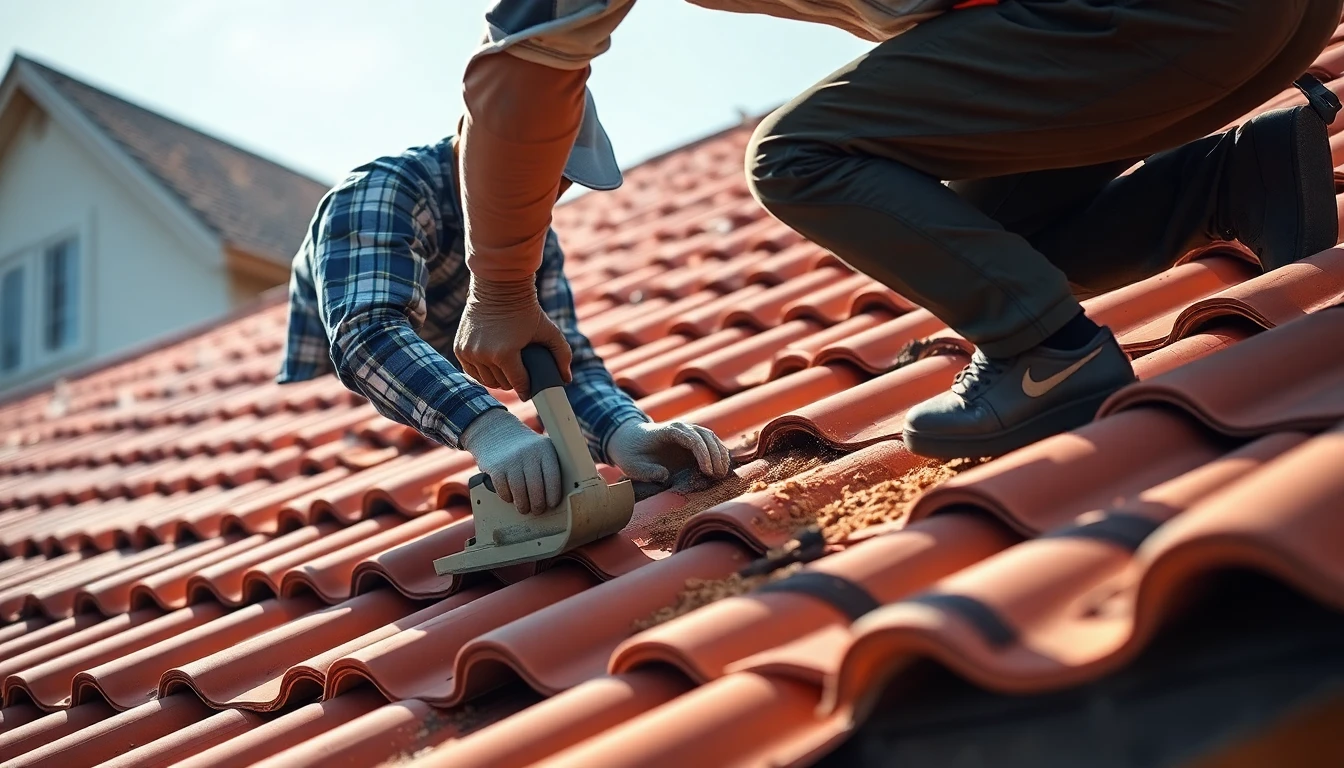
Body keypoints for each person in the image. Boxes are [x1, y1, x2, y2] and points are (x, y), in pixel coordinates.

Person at [452, 0, 1342, 460]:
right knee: (986, 241)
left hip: (1147, 23)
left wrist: (499, 288)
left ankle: (1047, 358)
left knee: (799, 153)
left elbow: (525, 74)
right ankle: (1234, 180)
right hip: (1269, 23)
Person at [277, 135, 732, 516]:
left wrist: (622, 432)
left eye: (559, 186)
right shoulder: (381, 192)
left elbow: (556, 354)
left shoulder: (532, 237)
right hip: (365, 314)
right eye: (534, 180)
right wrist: (488, 428)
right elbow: (366, 334)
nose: (545, 201)